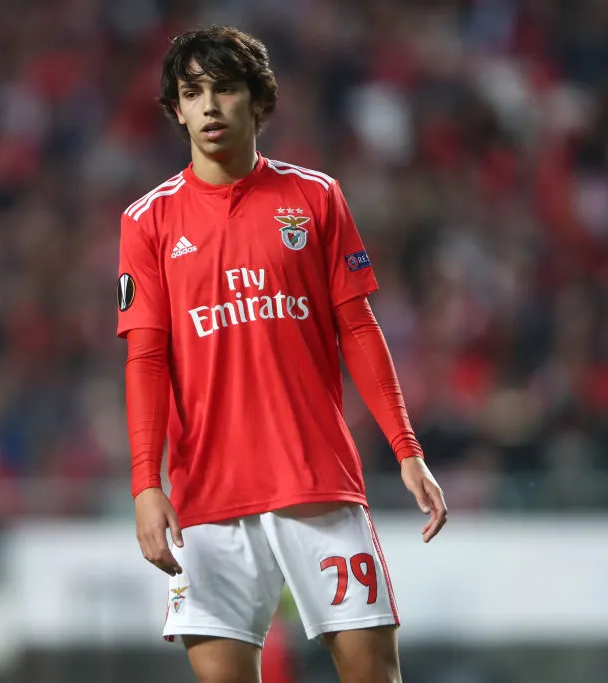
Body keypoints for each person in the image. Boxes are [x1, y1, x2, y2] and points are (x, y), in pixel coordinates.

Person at [116, 26, 448, 683]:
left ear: (257, 101)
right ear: (176, 109)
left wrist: (406, 448)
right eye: (192, 92)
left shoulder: (315, 197)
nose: (210, 106)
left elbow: (357, 325)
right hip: (208, 499)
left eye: (225, 89)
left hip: (316, 481)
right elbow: (146, 357)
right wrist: (145, 483)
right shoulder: (147, 221)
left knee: (373, 673)